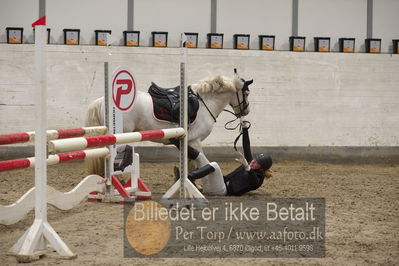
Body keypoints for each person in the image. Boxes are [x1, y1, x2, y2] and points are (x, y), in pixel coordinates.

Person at [174, 119, 273, 196]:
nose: (253, 162)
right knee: (200, 156)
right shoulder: (251, 163)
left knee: (215, 165)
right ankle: (175, 141)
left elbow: (254, 181)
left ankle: (185, 179)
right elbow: (246, 147)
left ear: (261, 168)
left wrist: (247, 167)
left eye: (256, 163)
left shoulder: (259, 179)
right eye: (254, 160)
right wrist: (245, 128)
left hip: (223, 191)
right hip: (216, 185)